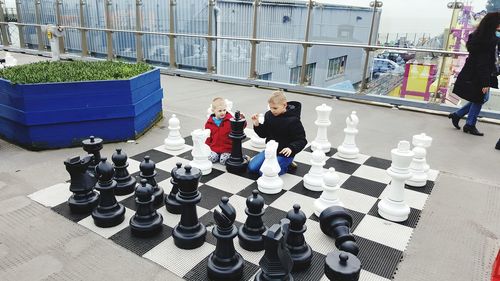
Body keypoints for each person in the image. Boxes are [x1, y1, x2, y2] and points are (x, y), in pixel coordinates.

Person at [449, 12, 500, 136]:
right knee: (480, 98)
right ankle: (470, 124)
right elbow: (483, 63)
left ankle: (458, 115)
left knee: (480, 98)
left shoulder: (478, 36)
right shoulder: (489, 41)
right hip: (481, 73)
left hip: (474, 72)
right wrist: (485, 82)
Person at [248, 91, 307, 175]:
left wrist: (291, 148)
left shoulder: (294, 121)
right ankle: (275, 162)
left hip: (284, 154)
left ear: (284, 105)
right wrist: (257, 124)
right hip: (271, 150)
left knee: (264, 173)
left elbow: (302, 140)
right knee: (252, 168)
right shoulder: (269, 115)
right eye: (270, 107)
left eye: (275, 108)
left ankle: (287, 165)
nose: (272, 110)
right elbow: (263, 134)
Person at [205, 97, 236, 165]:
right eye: (220, 111)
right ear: (213, 110)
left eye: (224, 110)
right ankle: (217, 155)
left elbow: (239, 127)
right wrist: (207, 147)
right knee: (210, 158)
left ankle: (241, 156)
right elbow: (208, 137)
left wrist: (241, 119)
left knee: (223, 161)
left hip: (227, 148)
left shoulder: (230, 120)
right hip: (214, 148)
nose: (223, 113)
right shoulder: (209, 123)